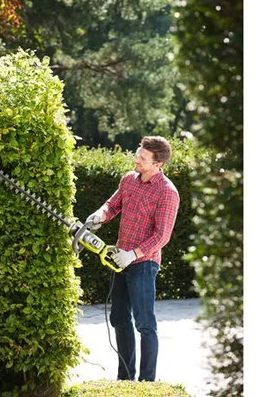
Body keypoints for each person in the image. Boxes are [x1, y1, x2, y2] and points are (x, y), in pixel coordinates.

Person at [86, 136, 180, 382]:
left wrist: (134, 254)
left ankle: (147, 382)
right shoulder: (129, 179)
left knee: (145, 324)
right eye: (137, 154)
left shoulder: (167, 192)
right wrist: (100, 214)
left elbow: (162, 236)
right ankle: (125, 378)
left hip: (144, 264)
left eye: (142, 158)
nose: (136, 160)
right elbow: (113, 205)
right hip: (119, 258)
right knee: (118, 318)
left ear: (158, 164)